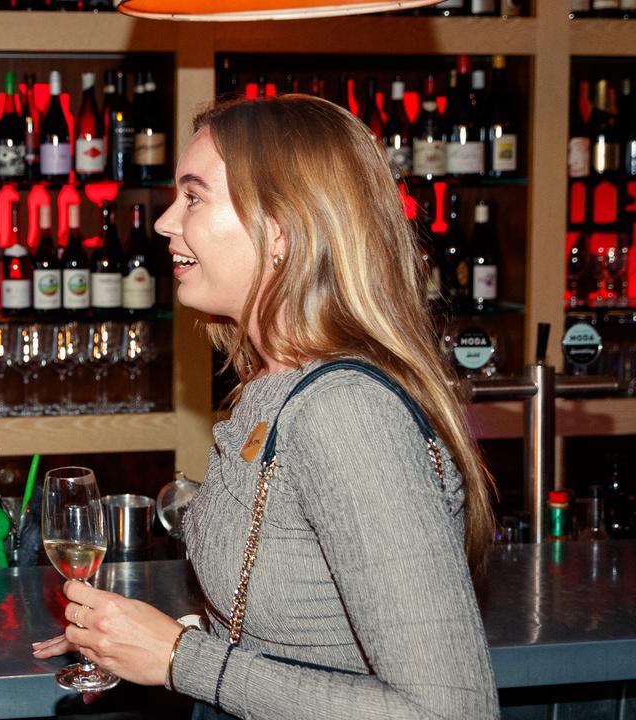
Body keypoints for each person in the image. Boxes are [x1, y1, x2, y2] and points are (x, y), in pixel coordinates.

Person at [32, 94, 500, 719]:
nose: (167, 222)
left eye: (194, 197)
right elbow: (305, 628)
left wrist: (179, 658)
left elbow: (451, 712)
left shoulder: (346, 413)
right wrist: (137, 637)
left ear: (280, 230)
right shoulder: (274, 386)